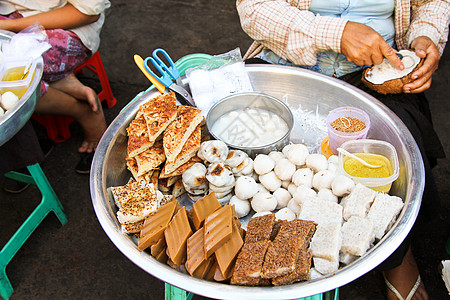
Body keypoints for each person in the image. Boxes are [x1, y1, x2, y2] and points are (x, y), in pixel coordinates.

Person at [237, 0, 449, 299]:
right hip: (286, 66)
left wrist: (425, 35)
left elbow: (432, 4)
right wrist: (334, 34)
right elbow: (253, 9)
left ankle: (398, 255)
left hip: (377, 74)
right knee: (241, 139)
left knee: (401, 158)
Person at [0, 0, 111, 175]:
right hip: (11, 17)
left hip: (67, 28)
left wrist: (10, 26)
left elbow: (89, 12)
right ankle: (62, 80)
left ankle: (82, 111)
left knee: (11, 81)